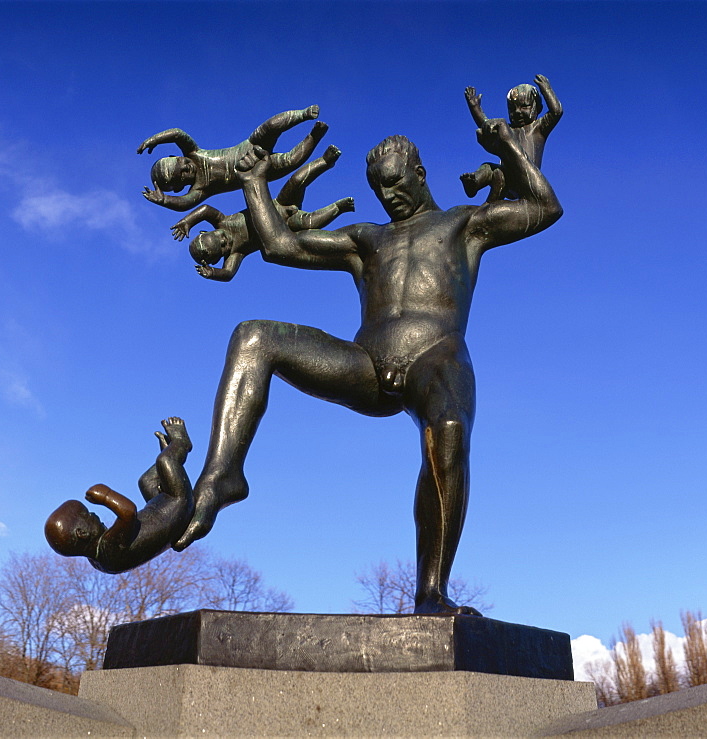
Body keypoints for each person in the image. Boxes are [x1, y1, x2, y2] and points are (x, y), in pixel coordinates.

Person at [173, 119, 562, 616]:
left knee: (446, 431)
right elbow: (280, 246)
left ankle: (431, 593)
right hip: (366, 365)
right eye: (380, 186)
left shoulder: (464, 225)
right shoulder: (366, 238)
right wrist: (253, 183)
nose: (389, 193)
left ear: (420, 173)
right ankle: (222, 476)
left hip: (435, 356)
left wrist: (510, 145)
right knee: (253, 336)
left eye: (397, 181)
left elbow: (545, 208)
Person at [170, 145, 355, 282]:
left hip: (279, 204)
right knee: (311, 222)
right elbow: (228, 274)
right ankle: (339, 207)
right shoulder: (237, 253)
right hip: (287, 227)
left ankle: (325, 161)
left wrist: (187, 221)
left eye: (220, 238)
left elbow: (205, 210)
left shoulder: (222, 222)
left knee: (297, 180)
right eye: (223, 247)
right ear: (221, 256)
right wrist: (213, 273)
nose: (226, 241)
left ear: (206, 231)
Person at [44, 417, 193, 574]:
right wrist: (105, 496)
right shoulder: (108, 548)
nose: (93, 514)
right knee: (165, 461)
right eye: (87, 515)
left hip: (161, 509)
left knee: (146, 481)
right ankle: (181, 444)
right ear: (82, 533)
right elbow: (128, 512)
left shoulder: (99, 561)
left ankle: (172, 456)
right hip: (177, 504)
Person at [138, 105, 327, 211]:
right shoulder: (201, 188)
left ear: (177, 155)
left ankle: (303, 114)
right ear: (179, 186)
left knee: (270, 126)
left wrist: (154, 140)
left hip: (250, 146)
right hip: (256, 171)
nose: (187, 167)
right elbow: (185, 203)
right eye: (183, 173)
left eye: (182, 162)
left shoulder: (194, 153)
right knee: (291, 161)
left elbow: (178, 134)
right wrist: (165, 200)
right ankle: (315, 135)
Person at [461, 74, 562, 200]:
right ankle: (474, 183)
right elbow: (486, 125)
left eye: (524, 106)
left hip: (528, 179)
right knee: (488, 167)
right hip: (506, 177)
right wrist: (475, 107)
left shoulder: (538, 128)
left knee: (498, 172)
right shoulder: (508, 130)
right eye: (512, 109)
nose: (518, 112)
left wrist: (547, 90)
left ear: (538, 108)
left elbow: (556, 112)